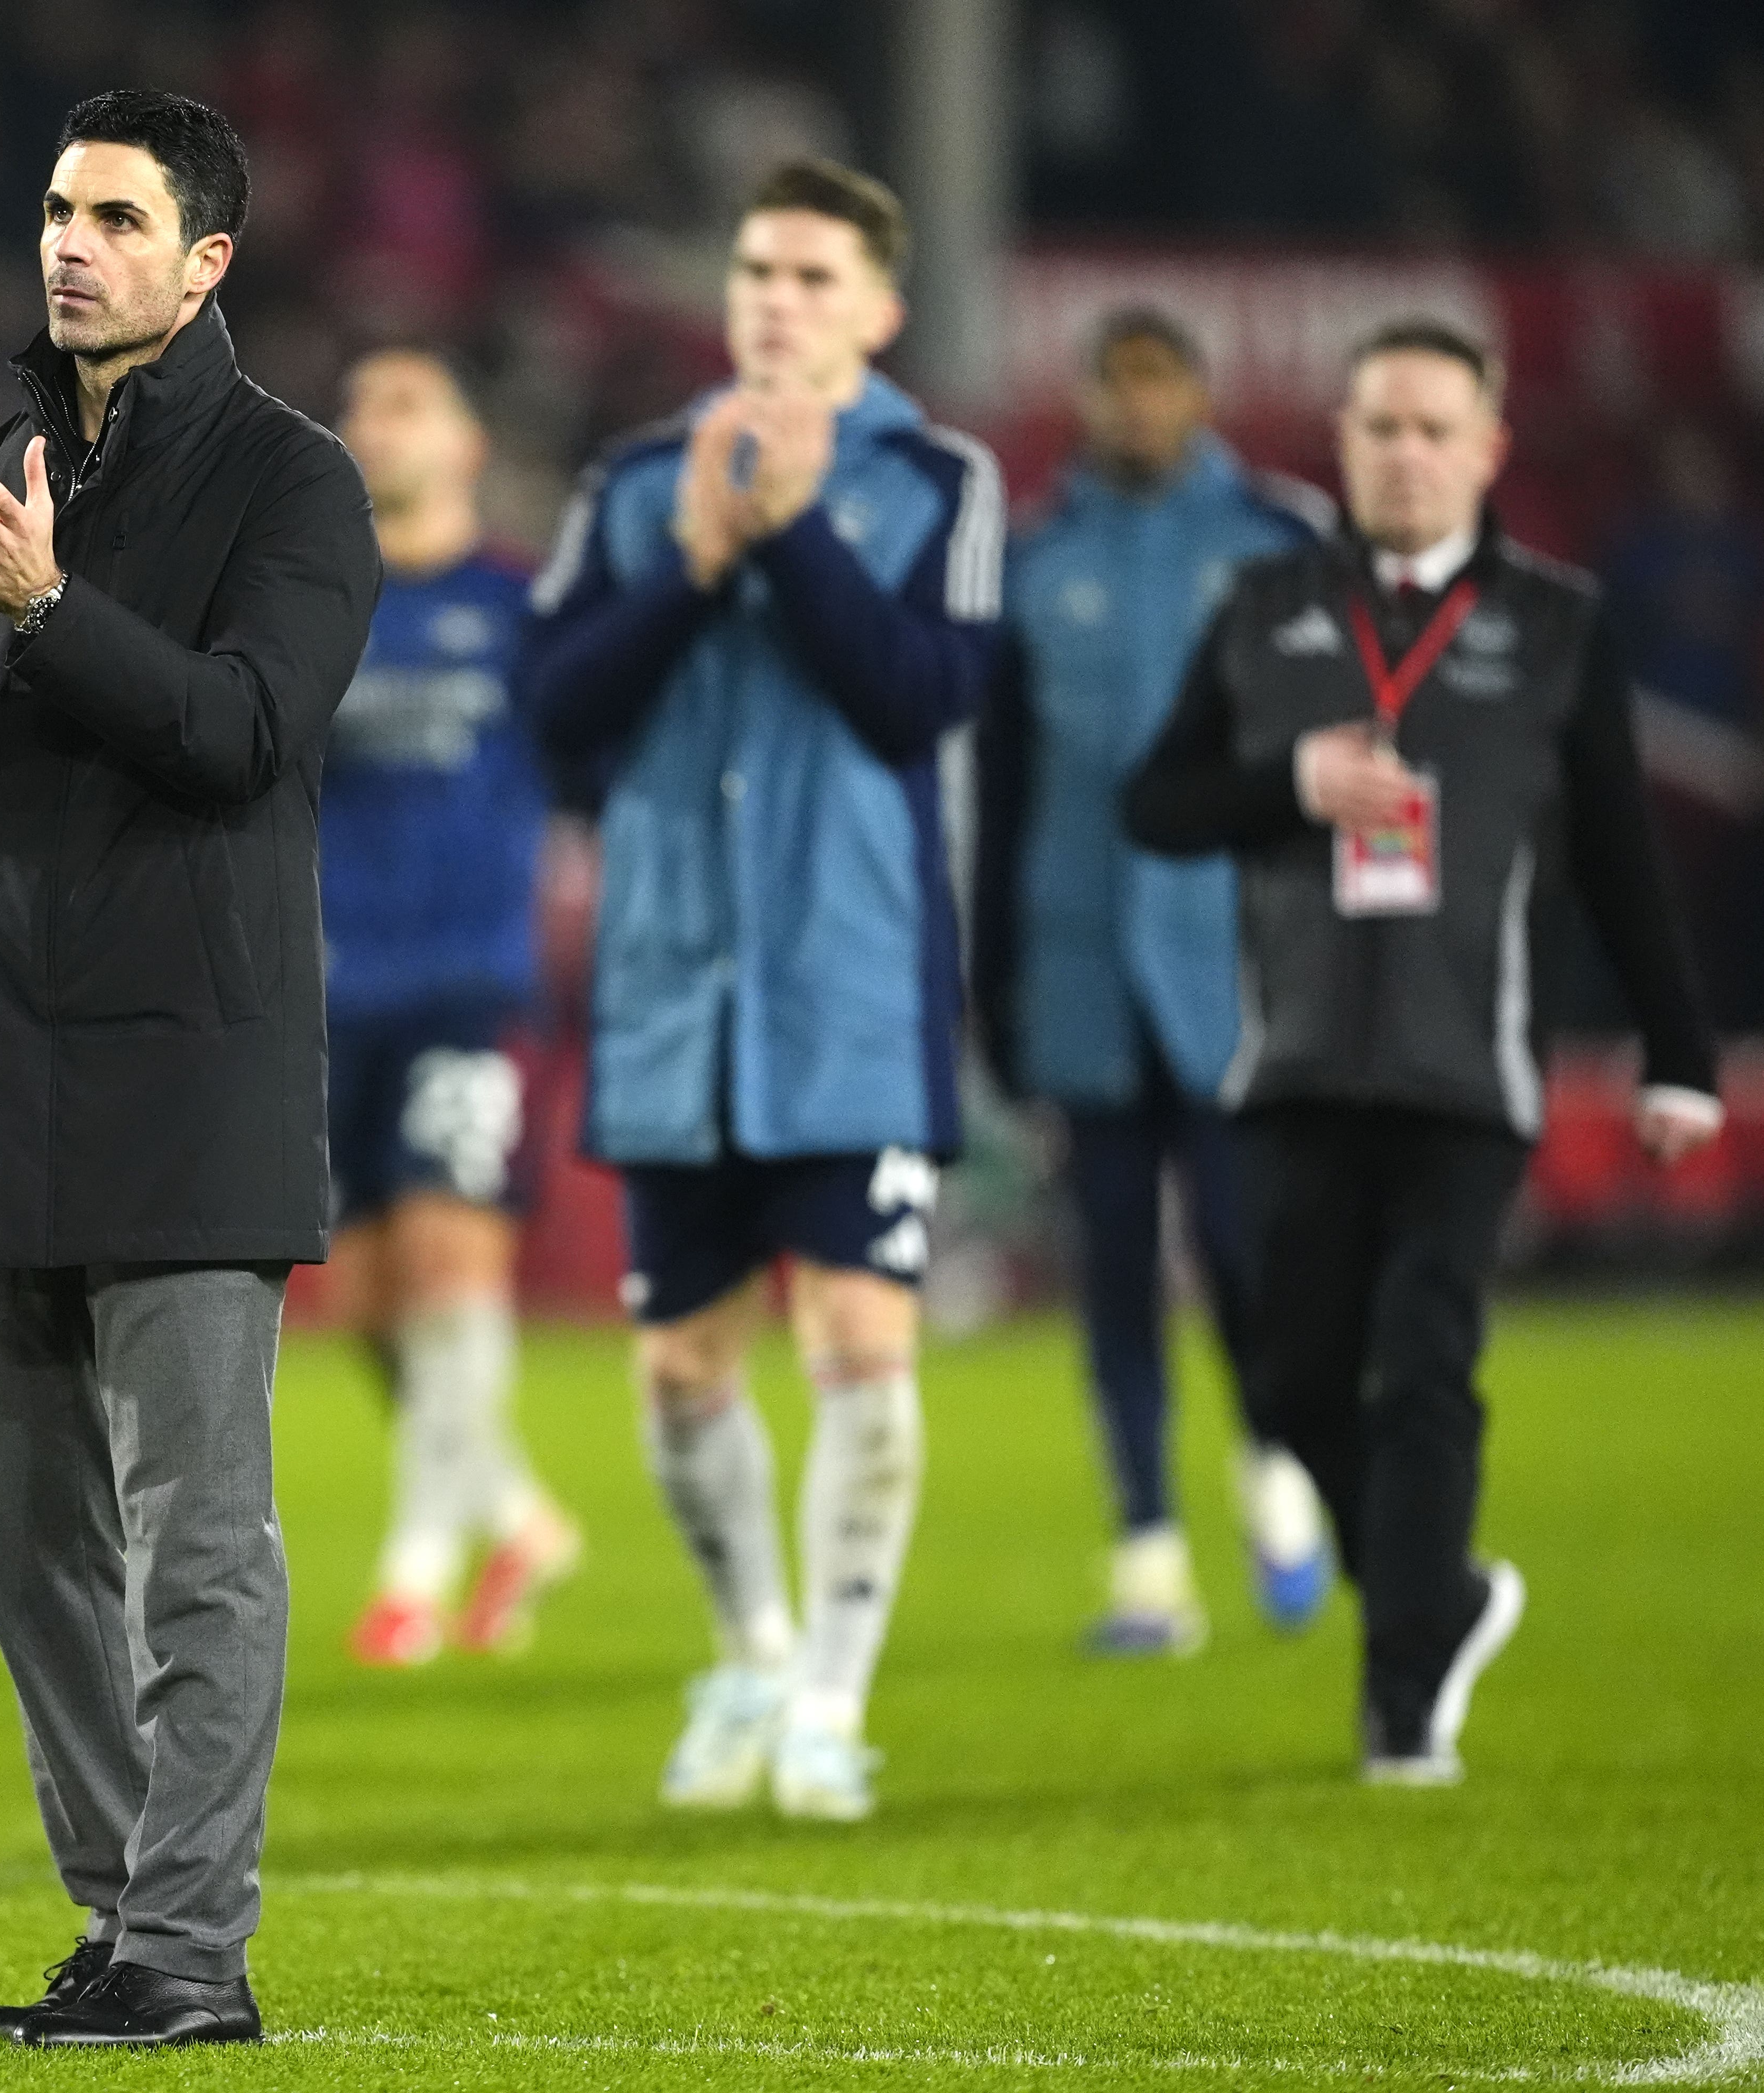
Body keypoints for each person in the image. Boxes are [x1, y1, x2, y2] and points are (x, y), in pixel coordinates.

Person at [0, 89, 377, 2049]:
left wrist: (46, 612)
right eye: (57, 209)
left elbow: (241, 734)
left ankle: (190, 1958)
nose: (70, 244)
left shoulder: (296, 486)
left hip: (186, 1081)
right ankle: (122, 1917)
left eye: (117, 219)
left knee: (198, 1545)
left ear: (205, 260)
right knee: (33, 1552)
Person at [1126, 317, 1720, 1784]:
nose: (1403, 455)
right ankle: (1436, 1596)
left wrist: (1678, 1054)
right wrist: (1288, 783)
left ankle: (1400, 1704)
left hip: (1470, 1069)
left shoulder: (1557, 626)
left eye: (1431, 430)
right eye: (1378, 428)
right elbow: (1156, 804)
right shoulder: (1262, 608)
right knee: (1289, 1383)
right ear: (1337, 442)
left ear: (1486, 449)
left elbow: (1619, 857)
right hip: (1298, 1060)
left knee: (1425, 1361)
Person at [522, 158, 1002, 1824]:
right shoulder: (639, 480)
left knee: (862, 1337)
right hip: (673, 992)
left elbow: (917, 696)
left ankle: (830, 1703)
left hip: (851, 990)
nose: (775, 301)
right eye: (753, 272)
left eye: (811, 276)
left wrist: (787, 538)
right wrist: (696, 560)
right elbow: (554, 716)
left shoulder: (940, 478)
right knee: (677, 1371)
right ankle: (747, 1649)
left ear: (876, 306)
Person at [978, 307, 1333, 1657]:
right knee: (1113, 1272)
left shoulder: (1276, 545)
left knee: (1248, 1254)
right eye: (1115, 383)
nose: (1136, 405)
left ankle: (1276, 1470)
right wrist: (996, 986)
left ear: (1198, 390)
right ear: (1085, 396)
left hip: (1237, 966)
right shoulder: (1035, 562)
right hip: (1080, 971)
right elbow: (1002, 795)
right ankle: (1148, 1554)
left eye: (1158, 380)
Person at [321, 346, 579, 1670]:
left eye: (413, 400)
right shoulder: (317, 606)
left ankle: (414, 1577)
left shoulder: (528, 605)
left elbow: (593, 754)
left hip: (471, 988)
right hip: (330, 993)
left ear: (471, 445)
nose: (380, 424)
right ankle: (516, 1513)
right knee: (364, 1300)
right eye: (364, 405)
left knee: (447, 1260)